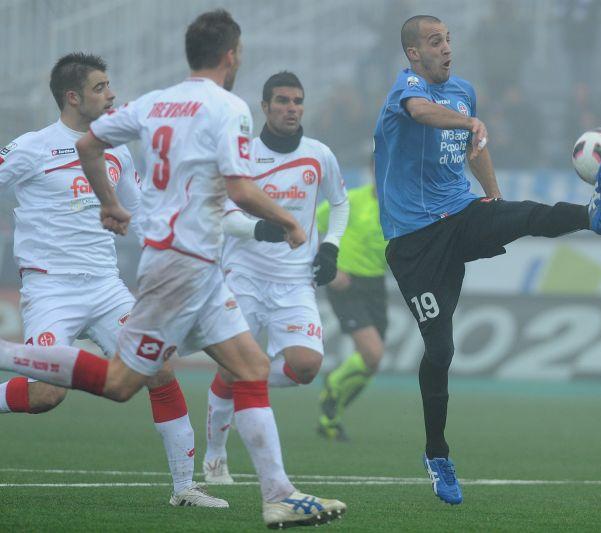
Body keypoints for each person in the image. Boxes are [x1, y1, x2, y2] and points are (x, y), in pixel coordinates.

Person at [0, 10, 345, 528]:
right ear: (232, 55)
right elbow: (239, 188)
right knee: (119, 383)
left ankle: (276, 494)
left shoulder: (155, 102)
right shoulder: (227, 106)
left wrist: (111, 204)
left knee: (246, 367)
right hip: (178, 266)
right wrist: (289, 223)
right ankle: (4, 353)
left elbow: (90, 146)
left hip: (187, 266)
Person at [374, 15, 601, 505]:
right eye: (433, 42)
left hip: (460, 213)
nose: (445, 48)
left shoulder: (464, 91)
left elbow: (475, 150)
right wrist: (468, 122)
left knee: (524, 214)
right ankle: (437, 453)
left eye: (447, 39)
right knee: (440, 349)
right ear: (413, 54)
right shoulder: (406, 90)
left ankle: (591, 215)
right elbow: (422, 113)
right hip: (414, 244)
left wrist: (492, 196)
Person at [0, 52, 225, 508]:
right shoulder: (31, 147)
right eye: (101, 87)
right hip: (51, 288)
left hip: (106, 287)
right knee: (46, 395)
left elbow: (140, 215)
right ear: (72, 96)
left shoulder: (117, 150)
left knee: (159, 368)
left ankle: (185, 487)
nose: (112, 94)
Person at [203, 71, 349, 484]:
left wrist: (332, 246)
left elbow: (339, 204)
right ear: (264, 106)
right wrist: (259, 229)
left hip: (295, 280)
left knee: (306, 366)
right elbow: (223, 211)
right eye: (282, 101)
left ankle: (240, 373)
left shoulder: (319, 154)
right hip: (243, 276)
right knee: (235, 368)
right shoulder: (242, 155)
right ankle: (214, 457)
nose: (291, 108)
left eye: (297, 101)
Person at [317, 181, 388, 442]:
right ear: (373, 171)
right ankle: (334, 384)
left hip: (377, 284)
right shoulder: (349, 200)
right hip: (345, 283)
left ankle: (330, 417)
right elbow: (310, 225)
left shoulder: (403, 205)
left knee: (372, 363)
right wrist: (327, 267)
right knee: (373, 353)